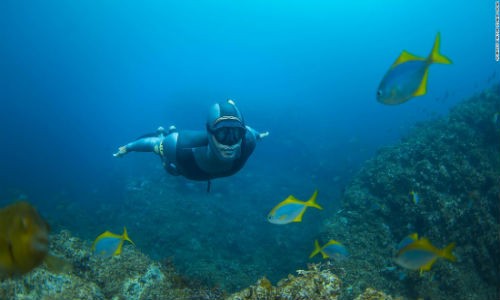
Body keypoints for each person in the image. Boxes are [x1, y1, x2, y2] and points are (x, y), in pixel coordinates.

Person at [113, 99, 269, 191]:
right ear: (209, 132)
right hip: (177, 153)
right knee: (167, 161)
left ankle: (169, 131)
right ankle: (165, 133)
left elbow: (251, 132)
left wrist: (258, 136)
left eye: (236, 134)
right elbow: (151, 143)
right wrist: (129, 147)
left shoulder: (248, 141)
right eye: (222, 134)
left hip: (193, 170)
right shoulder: (179, 147)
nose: (230, 143)